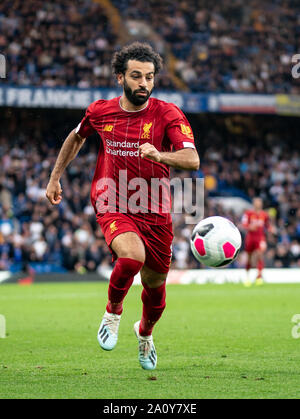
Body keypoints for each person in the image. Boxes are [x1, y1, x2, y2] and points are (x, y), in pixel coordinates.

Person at [46, 42, 200, 370]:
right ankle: (112, 312)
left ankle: (144, 333)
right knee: (132, 257)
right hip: (111, 198)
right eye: (136, 76)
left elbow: (192, 158)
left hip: (155, 208)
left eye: (149, 77)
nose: (143, 83)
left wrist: (161, 154)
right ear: (120, 78)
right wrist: (55, 177)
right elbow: (76, 137)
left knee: (155, 288)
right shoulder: (100, 111)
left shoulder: (167, 113)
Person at [242, 197, 274, 286]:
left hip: (260, 238)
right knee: (249, 258)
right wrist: (249, 227)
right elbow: (244, 224)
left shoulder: (264, 215)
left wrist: (270, 229)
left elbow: (267, 225)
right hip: (250, 238)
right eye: (256, 202)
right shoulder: (248, 213)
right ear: (253, 204)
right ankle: (247, 277)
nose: (258, 204)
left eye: (259, 203)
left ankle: (259, 277)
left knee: (260, 255)